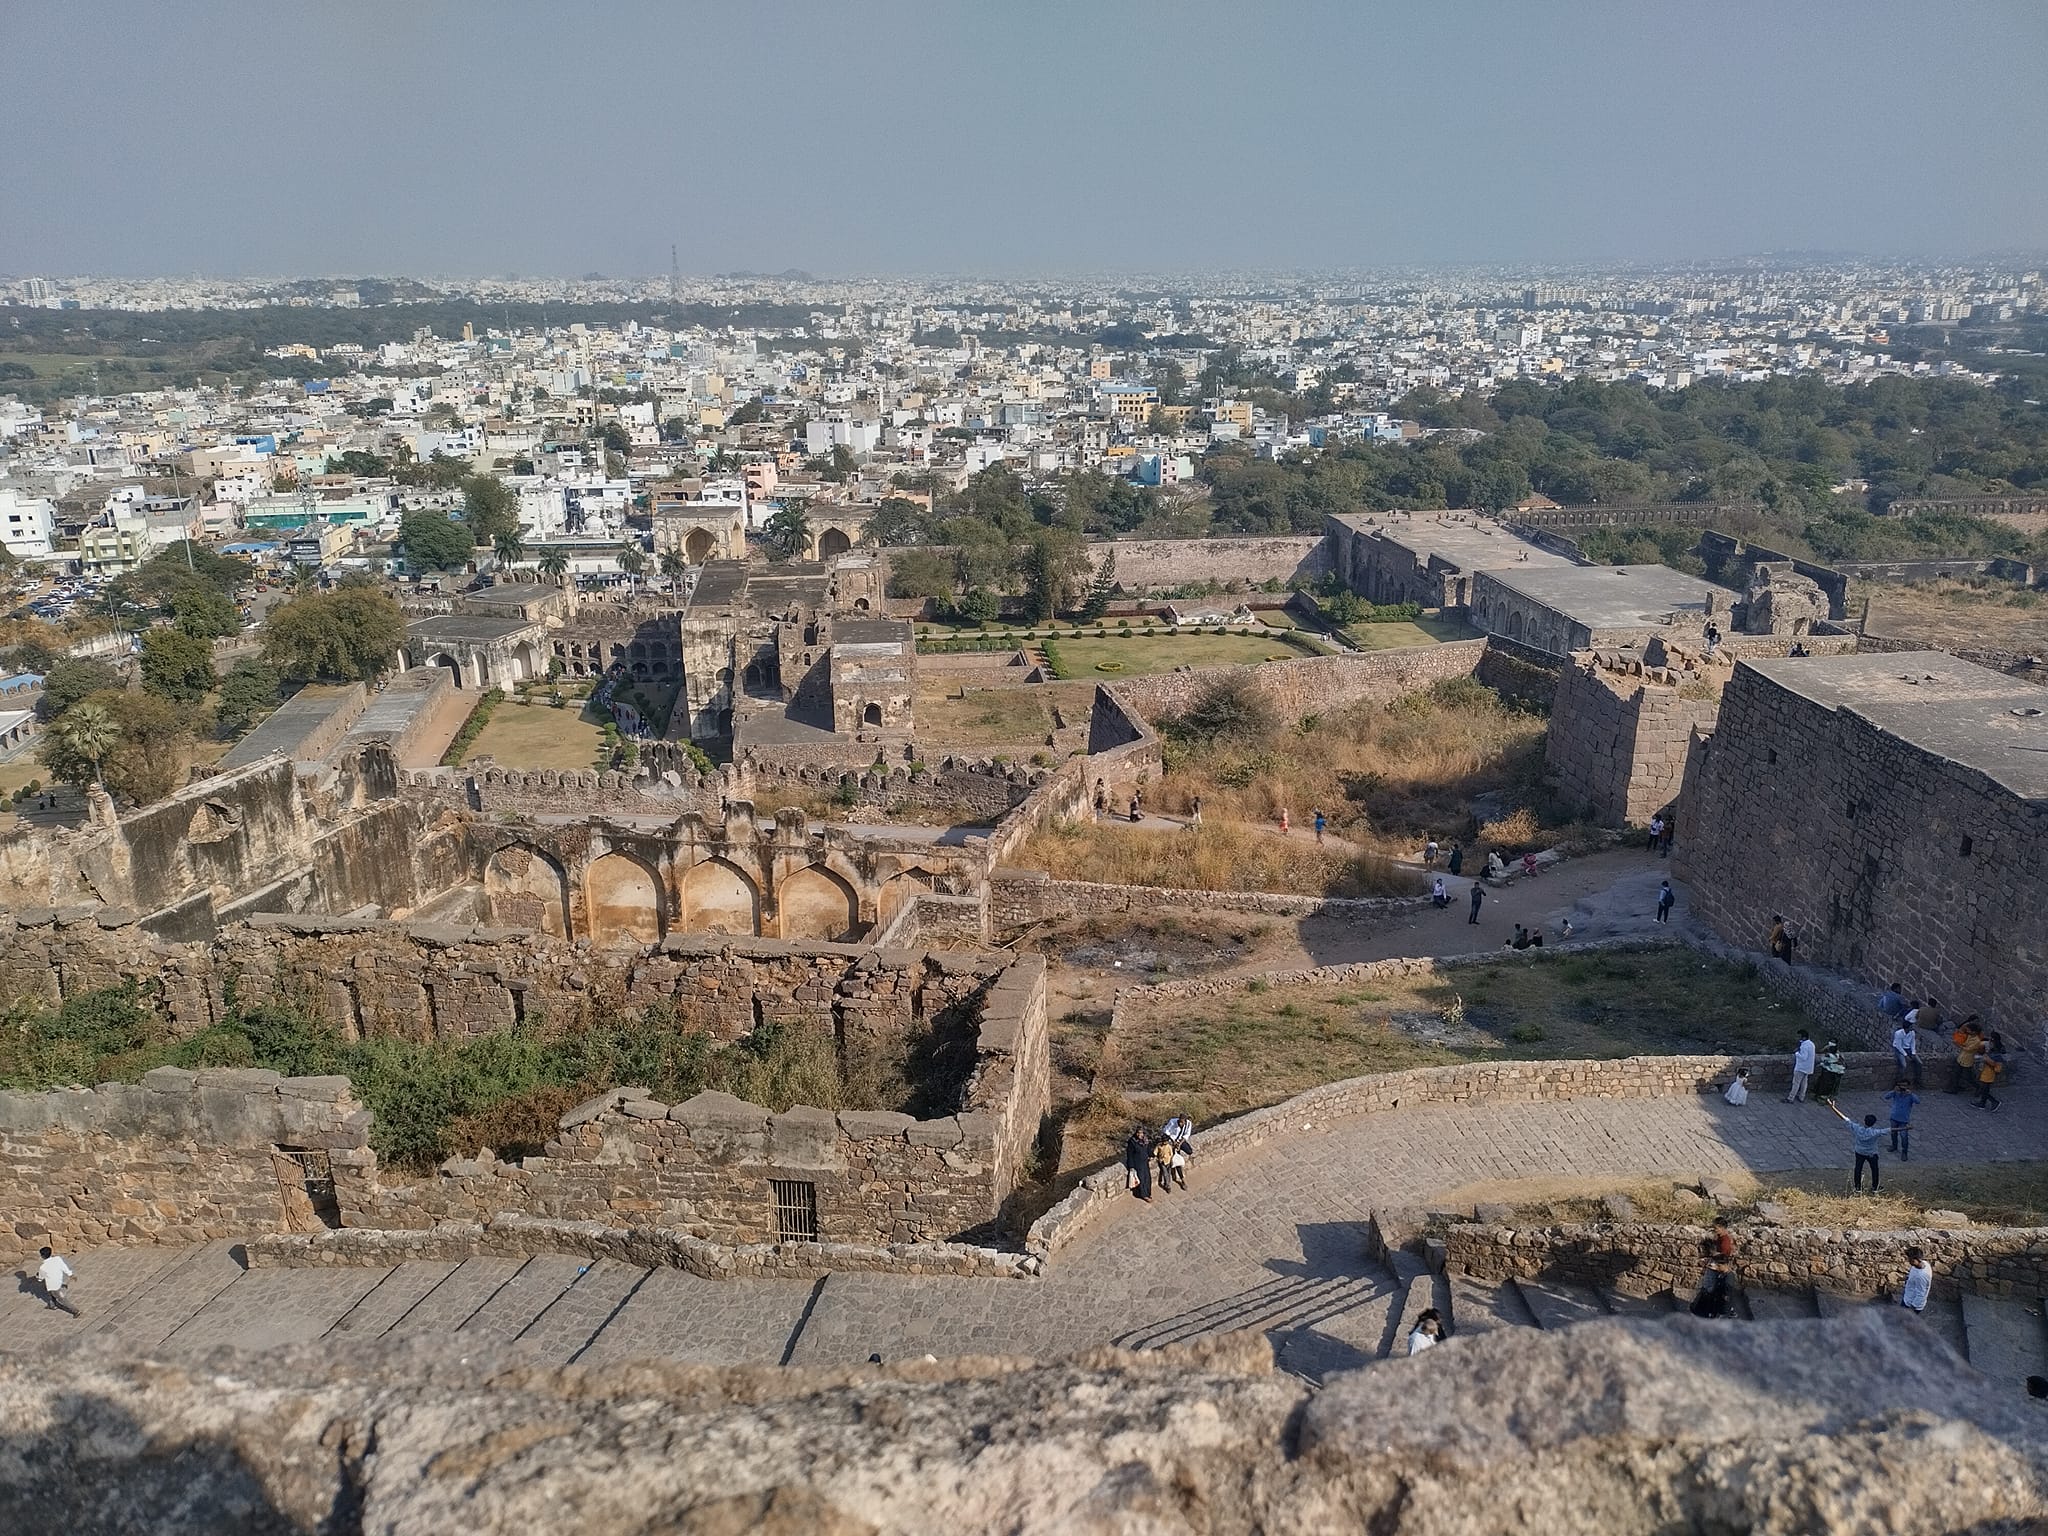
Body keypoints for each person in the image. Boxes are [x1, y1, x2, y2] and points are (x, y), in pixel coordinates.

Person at [34, 1246, 79, 1318]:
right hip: (58, 1281)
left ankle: (75, 1311)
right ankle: (52, 1305)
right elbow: (64, 1267)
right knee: (50, 1292)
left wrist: (37, 1276)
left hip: (53, 1286)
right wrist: (70, 1274)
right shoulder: (58, 1259)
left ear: (42, 1256)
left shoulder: (42, 1267)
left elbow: (40, 1279)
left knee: (62, 1299)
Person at [1848, 1110, 1884, 1192]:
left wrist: (1833, 1108)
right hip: (1871, 1153)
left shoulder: (1857, 1128)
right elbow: (1890, 1129)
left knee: (1858, 1168)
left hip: (1859, 1152)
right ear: (1874, 1123)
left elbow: (1844, 1118)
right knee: (1874, 1169)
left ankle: (1858, 1188)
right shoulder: (1875, 1132)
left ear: (1864, 1121)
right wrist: (1906, 1128)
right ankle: (1875, 1187)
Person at [1884, 1079, 1920, 1160]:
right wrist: (1893, 1091)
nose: (1903, 1087)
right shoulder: (1896, 1093)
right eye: (1901, 1085)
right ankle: (1894, 1146)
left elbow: (1918, 1101)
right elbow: (1886, 1097)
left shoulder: (1910, 1096)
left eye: (1905, 1086)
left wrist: (1911, 1094)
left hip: (1904, 1120)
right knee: (1893, 1133)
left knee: (1904, 1137)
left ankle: (1904, 1152)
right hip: (1894, 1118)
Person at [1974, 1032, 2007, 1111]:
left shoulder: (1998, 1054)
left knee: (1983, 1089)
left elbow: (1997, 1067)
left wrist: (1987, 1060)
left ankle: (1994, 1102)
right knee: (1984, 1089)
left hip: (1989, 1074)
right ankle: (1982, 1103)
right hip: (1985, 1072)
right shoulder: (1992, 1049)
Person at [1951, 1019, 1984, 1094]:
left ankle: (1978, 1087)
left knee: (1968, 1077)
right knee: (1956, 1074)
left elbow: (1968, 1049)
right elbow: (1966, 1043)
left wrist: (1958, 1045)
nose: (1967, 1031)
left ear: (1974, 1032)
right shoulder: (1970, 1036)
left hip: (1967, 1060)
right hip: (1961, 1058)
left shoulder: (1977, 1041)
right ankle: (1954, 1088)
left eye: (1969, 1030)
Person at [1123, 1126, 1154, 1201]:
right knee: (1142, 1179)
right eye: (1138, 1133)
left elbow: (1148, 1149)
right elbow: (1129, 1154)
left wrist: (1151, 1155)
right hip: (1138, 1163)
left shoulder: (1145, 1140)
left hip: (1145, 1162)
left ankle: (1148, 1193)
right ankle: (1144, 1195)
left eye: (1141, 1133)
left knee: (1147, 1178)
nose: (1139, 1134)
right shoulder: (1132, 1141)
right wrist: (1131, 1166)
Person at [1901, 1246, 1933, 1314]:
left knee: (1904, 1322)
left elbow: (1921, 1294)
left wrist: (1911, 1310)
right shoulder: (1924, 1264)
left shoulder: (1921, 1276)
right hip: (1907, 1297)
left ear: (1918, 1259)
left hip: (1911, 1304)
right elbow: (1913, 1274)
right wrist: (1907, 1278)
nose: (1909, 1261)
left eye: (1911, 1259)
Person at [1891, 1019, 1923, 1087]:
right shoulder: (1898, 1033)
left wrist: (1913, 1053)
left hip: (1908, 1048)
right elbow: (1899, 1046)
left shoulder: (1912, 1033)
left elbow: (1912, 1043)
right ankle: (1898, 1082)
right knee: (1904, 1065)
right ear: (1906, 1028)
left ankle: (1918, 1081)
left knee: (1919, 1063)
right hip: (1899, 1049)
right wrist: (1905, 1055)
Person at [1787, 1031, 1815, 1103]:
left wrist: (1796, 1053)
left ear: (1804, 1037)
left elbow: (1803, 1057)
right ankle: (1801, 1097)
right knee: (1804, 1083)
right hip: (1808, 1068)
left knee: (1796, 1083)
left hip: (1801, 1068)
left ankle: (1791, 1098)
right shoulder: (1812, 1044)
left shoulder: (1804, 1046)